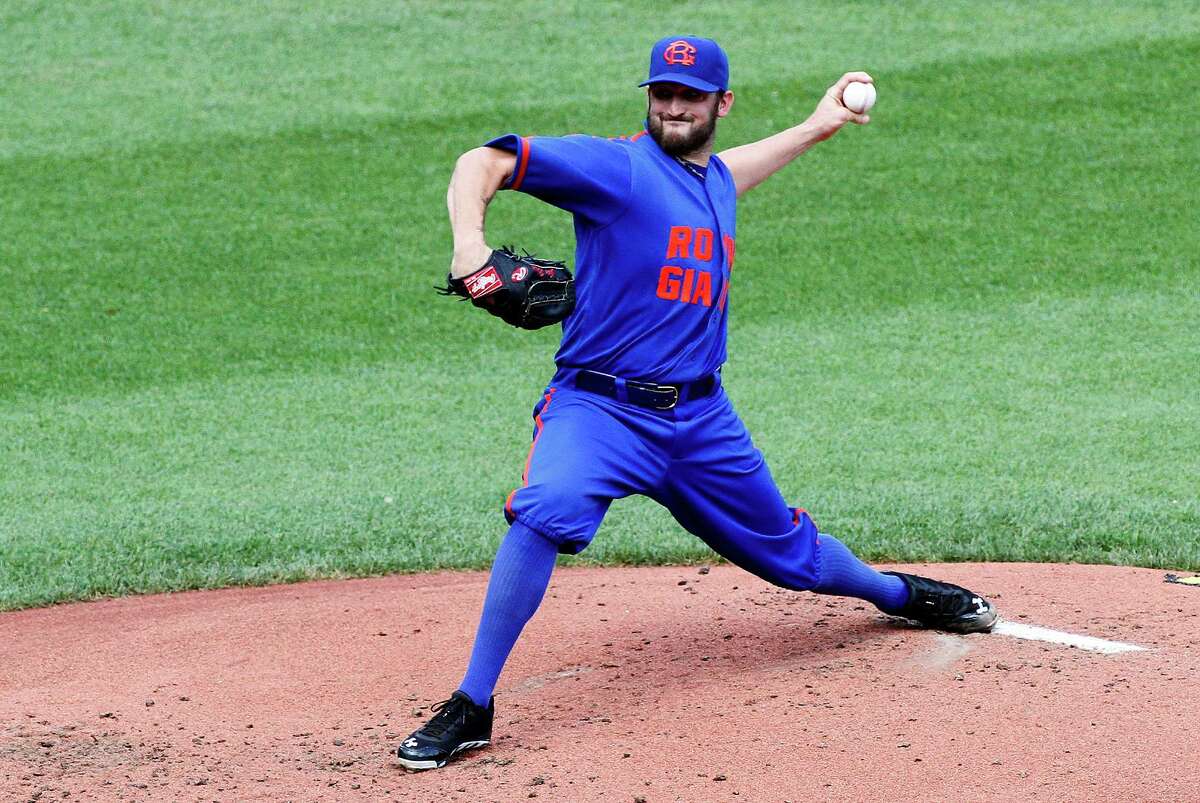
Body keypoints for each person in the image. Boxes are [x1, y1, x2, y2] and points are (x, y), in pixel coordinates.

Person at [396, 35, 997, 772]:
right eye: (661, 93)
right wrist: (468, 246)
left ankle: (899, 593)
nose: (672, 107)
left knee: (791, 556)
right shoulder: (614, 169)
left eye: (688, 96)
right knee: (545, 508)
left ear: (721, 104)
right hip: (602, 411)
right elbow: (481, 162)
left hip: (702, 423)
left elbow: (729, 173)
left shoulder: (709, 179)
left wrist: (817, 126)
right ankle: (472, 702)